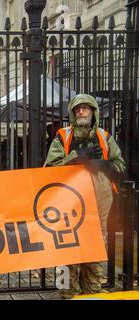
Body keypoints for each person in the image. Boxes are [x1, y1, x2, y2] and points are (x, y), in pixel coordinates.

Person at [44, 94, 126, 299]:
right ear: (72, 113)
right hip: (68, 201)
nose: (82, 111)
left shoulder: (105, 137)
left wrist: (105, 166)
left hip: (99, 200)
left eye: (86, 108)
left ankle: (92, 292)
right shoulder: (63, 137)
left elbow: (121, 166)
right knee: (68, 245)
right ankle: (69, 293)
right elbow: (49, 168)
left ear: (93, 112)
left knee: (95, 244)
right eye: (78, 108)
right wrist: (78, 157)